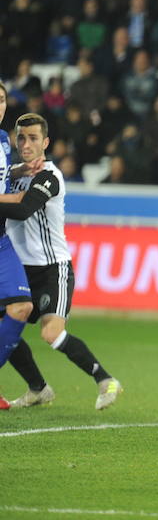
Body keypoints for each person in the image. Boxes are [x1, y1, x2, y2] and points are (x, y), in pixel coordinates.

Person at [0, 113, 124, 410]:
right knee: (8, 326)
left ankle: (106, 380)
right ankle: (38, 388)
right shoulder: (12, 176)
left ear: (46, 142)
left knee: (50, 333)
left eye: (33, 138)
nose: (26, 144)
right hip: (20, 267)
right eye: (21, 138)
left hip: (53, 268)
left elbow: (23, 210)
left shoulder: (50, 176)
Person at [0, 82, 37, 409]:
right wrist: (20, 197)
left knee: (21, 307)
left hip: (1, 239)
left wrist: (20, 170)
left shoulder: (2, 140)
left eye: (0, 100)